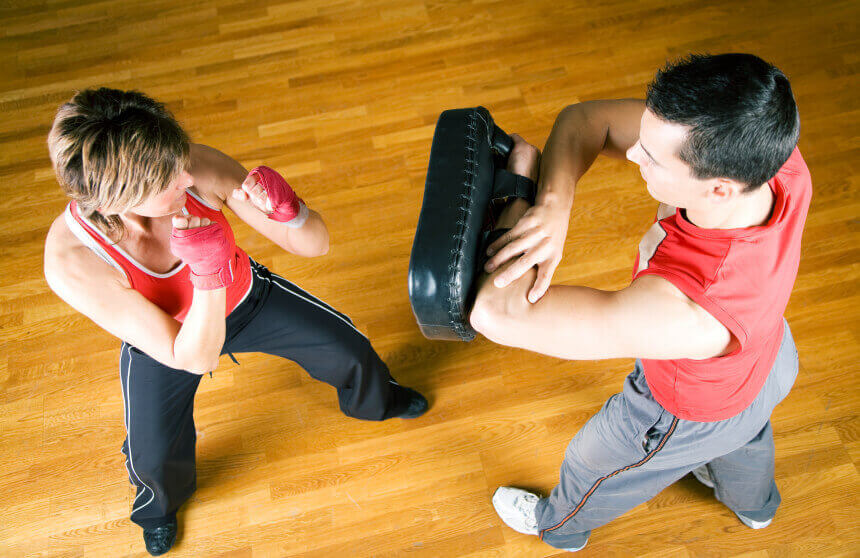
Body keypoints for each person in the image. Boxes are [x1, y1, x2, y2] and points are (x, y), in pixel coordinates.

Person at [42, 88, 428, 556]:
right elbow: (193, 356)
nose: (186, 173)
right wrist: (207, 272)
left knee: (347, 346)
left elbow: (315, 245)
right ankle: (158, 509)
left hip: (246, 298)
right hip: (171, 342)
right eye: (167, 176)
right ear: (118, 198)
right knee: (152, 452)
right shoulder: (72, 258)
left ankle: (379, 402)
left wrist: (292, 210)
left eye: (177, 156)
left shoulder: (196, 167)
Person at [470, 54, 809, 552]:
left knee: (591, 465)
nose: (632, 155)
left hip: (679, 410)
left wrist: (523, 187)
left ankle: (559, 528)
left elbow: (495, 312)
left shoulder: (683, 310)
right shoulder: (775, 160)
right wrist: (554, 207)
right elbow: (589, 120)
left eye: (651, 156)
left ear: (718, 188)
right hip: (771, 357)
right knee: (747, 430)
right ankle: (756, 508)